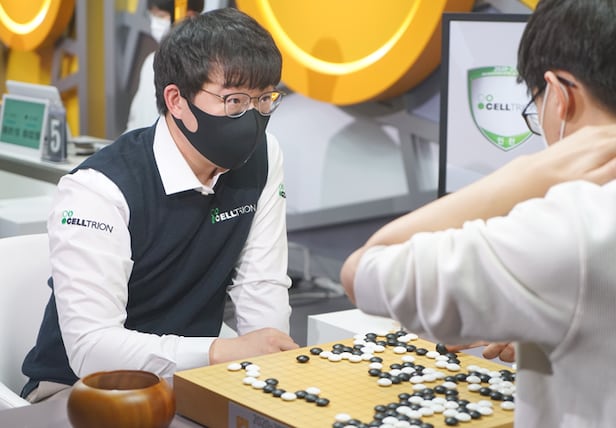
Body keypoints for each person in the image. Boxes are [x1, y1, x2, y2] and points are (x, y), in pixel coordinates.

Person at [341, 0, 616, 426]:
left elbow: (364, 271)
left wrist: (528, 174)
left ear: (559, 96)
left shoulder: (572, 226)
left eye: (535, 106)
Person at [21, 7, 298, 402]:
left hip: (193, 382)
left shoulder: (263, 157)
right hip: (77, 391)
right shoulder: (99, 189)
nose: (252, 118)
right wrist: (220, 352)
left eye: (265, 99)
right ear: (177, 100)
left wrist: (267, 373)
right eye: (235, 101)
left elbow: (262, 286)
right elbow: (92, 349)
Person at [125, 0, 205, 131]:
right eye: (152, 16)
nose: (154, 24)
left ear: (189, 16)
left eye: (161, 16)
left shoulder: (206, 66)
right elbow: (136, 120)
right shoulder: (151, 61)